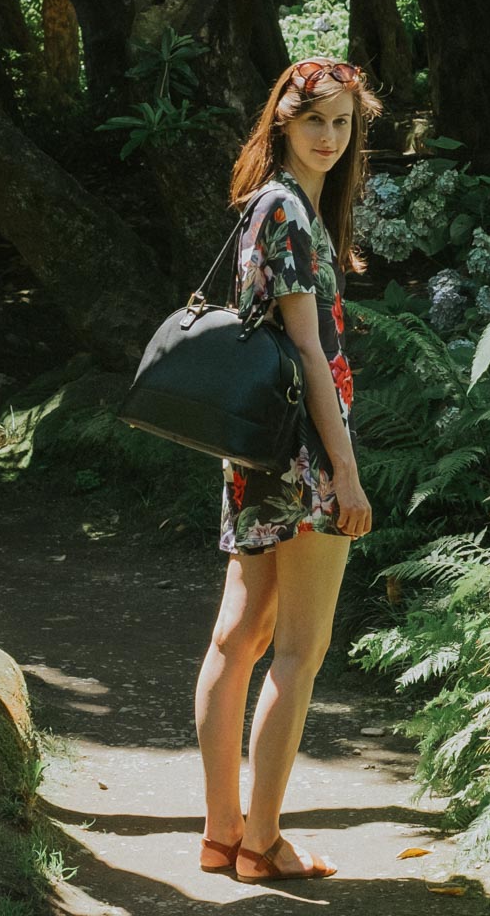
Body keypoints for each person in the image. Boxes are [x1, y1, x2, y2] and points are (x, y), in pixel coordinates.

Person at [193, 58, 381, 884]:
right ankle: (259, 843)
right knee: (299, 651)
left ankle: (222, 833)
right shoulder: (290, 214)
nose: (332, 138)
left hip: (261, 451)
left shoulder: (276, 205)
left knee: (239, 639)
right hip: (305, 452)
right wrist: (346, 471)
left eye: (344, 124)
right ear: (283, 122)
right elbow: (308, 348)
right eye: (317, 122)